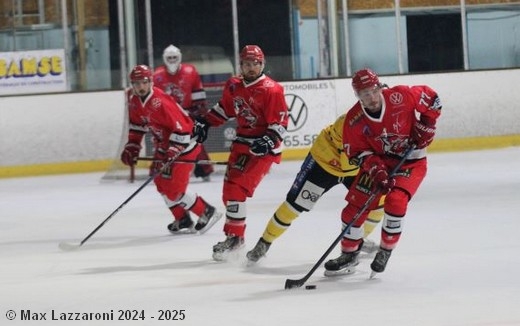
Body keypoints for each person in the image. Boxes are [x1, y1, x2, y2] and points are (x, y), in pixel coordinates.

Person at [324, 68, 441, 277]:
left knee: (395, 202)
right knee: (352, 210)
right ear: (357, 96)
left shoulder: (401, 95)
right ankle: (349, 254)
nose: (371, 97)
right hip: (380, 163)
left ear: (379, 86)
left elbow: (432, 99)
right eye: (364, 94)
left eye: (373, 90)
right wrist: (376, 170)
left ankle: (385, 250)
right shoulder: (354, 119)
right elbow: (355, 153)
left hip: (410, 162)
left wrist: (427, 125)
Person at [245, 113, 386, 264]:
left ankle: (358, 240)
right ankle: (264, 243)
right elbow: (348, 159)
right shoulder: (349, 121)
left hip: (355, 168)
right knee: (294, 206)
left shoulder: (386, 120)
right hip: (323, 164)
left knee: (378, 203)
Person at [193, 45, 289, 261]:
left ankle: (235, 238)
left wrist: (268, 139)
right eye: (247, 63)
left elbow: (281, 122)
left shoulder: (271, 89)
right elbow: (224, 109)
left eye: (255, 63)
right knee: (228, 192)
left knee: (236, 189)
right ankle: (234, 236)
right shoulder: (234, 85)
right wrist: (205, 122)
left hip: (263, 148)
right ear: (241, 65)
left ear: (262, 64)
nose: (251, 67)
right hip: (242, 144)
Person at [120, 64, 222, 235]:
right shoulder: (134, 101)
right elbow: (137, 127)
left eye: (143, 82)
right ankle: (182, 218)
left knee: (175, 189)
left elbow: (183, 128)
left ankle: (206, 211)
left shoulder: (160, 101)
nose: (140, 87)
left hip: (185, 146)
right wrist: (132, 146)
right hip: (165, 146)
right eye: (136, 83)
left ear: (150, 81)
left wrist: (175, 148)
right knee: (160, 183)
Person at [153, 44, 214, 182]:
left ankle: (205, 170)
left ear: (179, 57)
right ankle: (157, 170)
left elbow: (198, 93)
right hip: (167, 117)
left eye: (175, 57)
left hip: (187, 115)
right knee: (163, 143)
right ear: (164, 58)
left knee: (194, 142)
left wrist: (199, 112)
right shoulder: (157, 76)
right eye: (170, 57)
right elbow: (155, 100)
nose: (172, 60)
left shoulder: (190, 71)